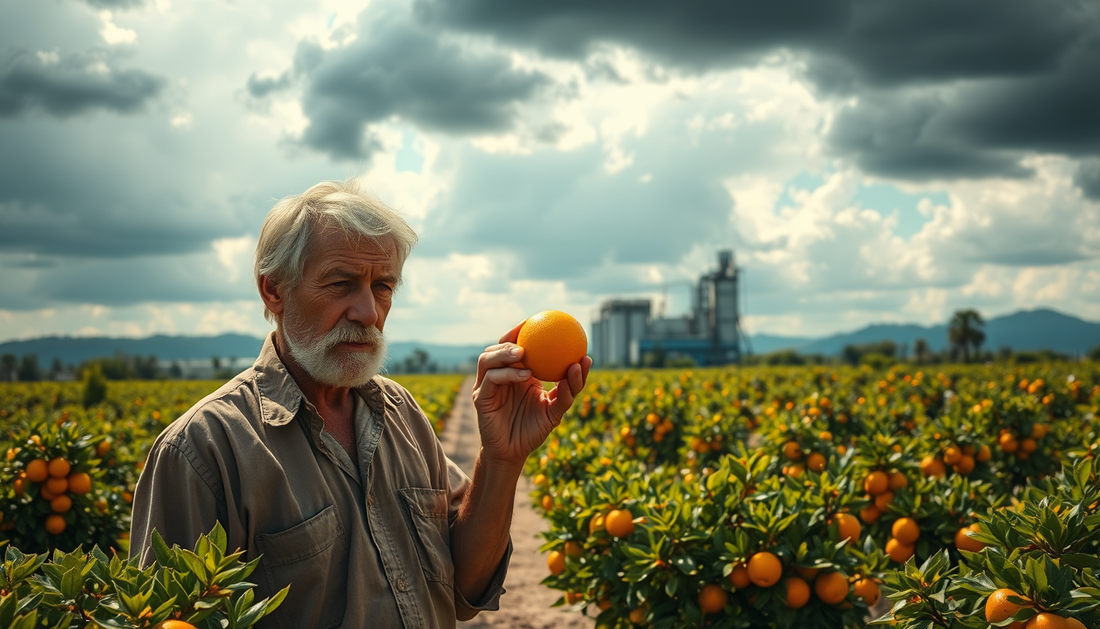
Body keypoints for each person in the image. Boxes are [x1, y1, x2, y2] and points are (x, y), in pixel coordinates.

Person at [129, 179, 592, 628]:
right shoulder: (203, 452)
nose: (369, 313)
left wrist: (502, 458)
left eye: (383, 286)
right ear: (274, 290)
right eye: (341, 284)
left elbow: (465, 590)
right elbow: (172, 618)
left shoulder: (401, 414)